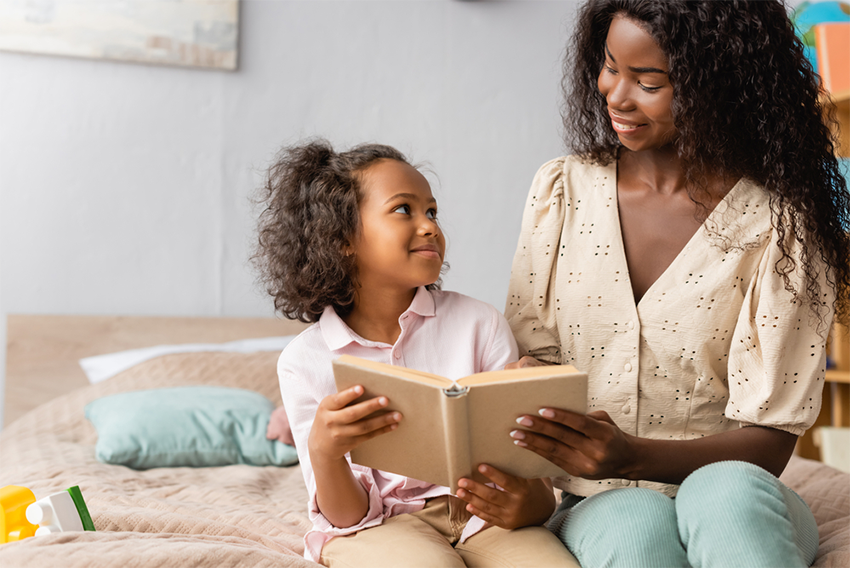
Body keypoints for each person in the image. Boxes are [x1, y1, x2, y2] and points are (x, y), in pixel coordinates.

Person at [454, 1, 850, 567]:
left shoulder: (781, 230)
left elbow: (769, 438)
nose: (616, 95)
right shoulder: (562, 192)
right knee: (633, 527)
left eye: (649, 81)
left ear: (718, 86)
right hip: (596, 500)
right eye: (611, 66)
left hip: (737, 485)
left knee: (726, 494)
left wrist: (630, 456)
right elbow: (533, 365)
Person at [253, 140, 580, 567]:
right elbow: (346, 517)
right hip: (379, 527)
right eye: (404, 209)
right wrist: (325, 452)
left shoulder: (480, 324)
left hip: (487, 519)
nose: (429, 226)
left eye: (432, 212)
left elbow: (533, 487)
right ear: (341, 239)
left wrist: (529, 506)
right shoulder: (305, 361)